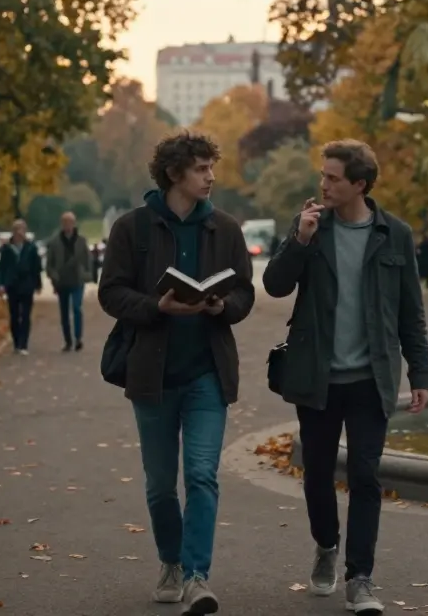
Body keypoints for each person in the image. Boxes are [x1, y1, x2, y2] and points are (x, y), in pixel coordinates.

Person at [263, 139, 428, 616]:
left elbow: (410, 312)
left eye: (333, 178)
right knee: (317, 474)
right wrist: (299, 238)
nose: (324, 184)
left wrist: (420, 371)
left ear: (360, 184)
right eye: (323, 175)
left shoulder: (394, 234)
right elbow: (275, 284)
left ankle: (361, 577)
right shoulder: (311, 227)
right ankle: (326, 545)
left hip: (370, 379)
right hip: (317, 377)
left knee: (364, 475)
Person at [97, 130, 256, 615]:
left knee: (203, 475)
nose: (211, 176)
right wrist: (156, 306)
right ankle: (170, 561)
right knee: (161, 483)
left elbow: (245, 294)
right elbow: (111, 293)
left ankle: (196, 576)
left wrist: (221, 306)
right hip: (153, 374)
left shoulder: (225, 228)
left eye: (212, 167)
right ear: (174, 174)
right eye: (201, 168)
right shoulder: (132, 229)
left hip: (208, 371)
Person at [45, 211, 90, 352]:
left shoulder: (81, 240)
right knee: (64, 312)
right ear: (61, 224)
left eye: (70, 222)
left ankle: (78, 338)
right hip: (62, 281)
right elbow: (49, 263)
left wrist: (87, 274)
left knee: (77, 308)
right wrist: (53, 275)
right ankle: (68, 340)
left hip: (77, 280)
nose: (67, 225)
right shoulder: (54, 242)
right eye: (65, 222)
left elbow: (88, 259)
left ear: (74, 223)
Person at [0, 220, 42, 355]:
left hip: (26, 285)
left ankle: (24, 344)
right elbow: (1, 268)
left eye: (21, 230)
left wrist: (38, 284)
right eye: (16, 230)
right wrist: (1, 284)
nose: (19, 233)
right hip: (12, 285)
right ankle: (16, 342)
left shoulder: (31, 248)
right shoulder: (7, 248)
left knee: (26, 315)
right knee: (14, 315)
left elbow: (36, 268)